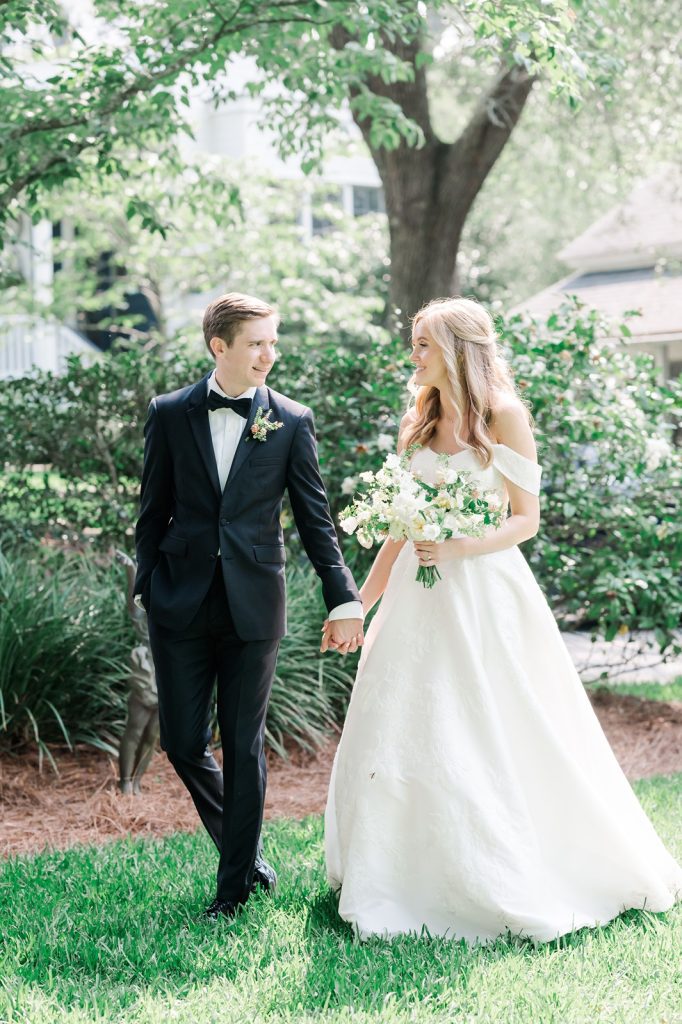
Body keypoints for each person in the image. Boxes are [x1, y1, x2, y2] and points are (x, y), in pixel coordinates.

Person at [324, 296, 682, 943]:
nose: (415, 355)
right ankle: (395, 868)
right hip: (417, 598)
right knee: (404, 720)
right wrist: (357, 605)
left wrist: (460, 547)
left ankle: (503, 864)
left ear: (460, 348)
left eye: (425, 343)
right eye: (415, 342)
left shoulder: (505, 417)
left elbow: (526, 518)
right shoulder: (419, 422)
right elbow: (399, 534)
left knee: (490, 721)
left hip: (485, 592)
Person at [135, 292, 363, 920]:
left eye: (273, 341)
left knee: (243, 742)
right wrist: (147, 586)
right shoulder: (170, 412)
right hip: (177, 603)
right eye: (257, 343)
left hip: (255, 605)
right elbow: (151, 511)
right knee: (182, 741)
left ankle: (233, 888)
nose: (270, 354)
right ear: (220, 347)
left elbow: (316, 521)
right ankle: (249, 848)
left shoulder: (290, 420)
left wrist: (342, 594)